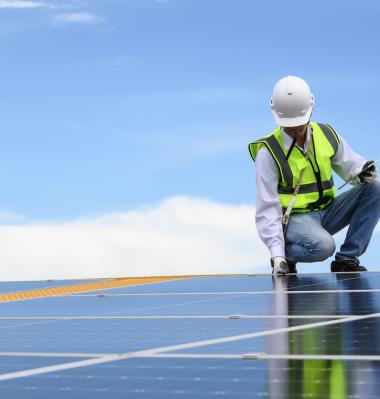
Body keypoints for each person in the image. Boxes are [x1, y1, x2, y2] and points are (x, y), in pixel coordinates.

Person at [248, 76, 380, 275]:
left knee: (376, 187)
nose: (295, 127)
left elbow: (351, 165)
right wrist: (278, 256)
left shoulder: (325, 134)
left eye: (299, 121)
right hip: (295, 220)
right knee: (324, 247)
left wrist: (362, 172)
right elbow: (267, 207)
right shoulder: (268, 152)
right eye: (289, 123)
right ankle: (287, 254)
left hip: (329, 211)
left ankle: (347, 260)